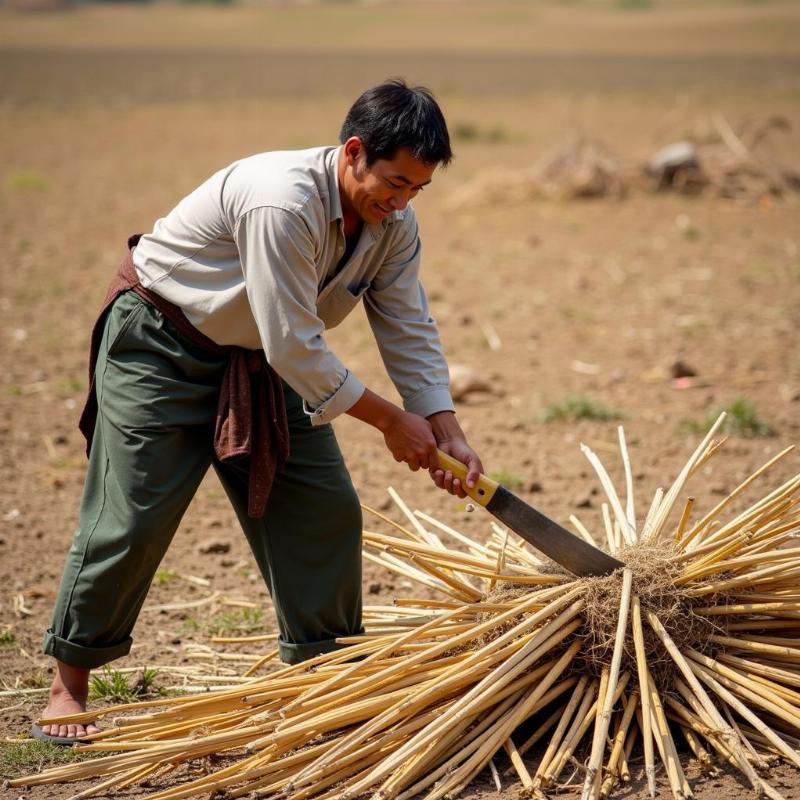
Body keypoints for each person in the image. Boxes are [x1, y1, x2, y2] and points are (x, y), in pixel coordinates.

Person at [35, 79, 483, 744]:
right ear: (354, 152)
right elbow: (295, 343)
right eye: (394, 181)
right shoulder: (284, 200)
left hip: (262, 361)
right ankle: (67, 685)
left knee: (324, 508)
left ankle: (323, 675)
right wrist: (393, 422)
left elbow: (409, 326)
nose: (402, 200)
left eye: (419, 187)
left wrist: (448, 430)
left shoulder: (393, 225)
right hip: (162, 344)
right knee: (131, 517)